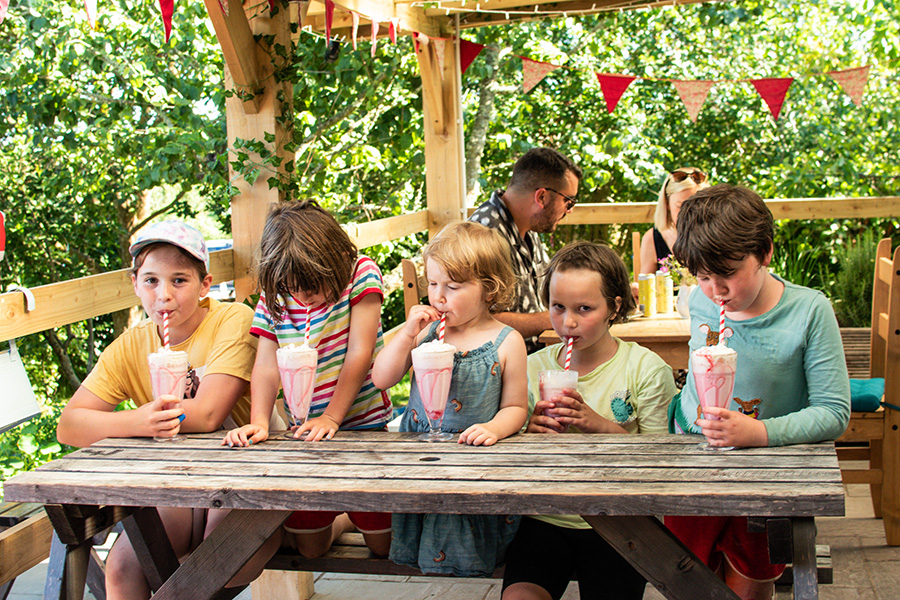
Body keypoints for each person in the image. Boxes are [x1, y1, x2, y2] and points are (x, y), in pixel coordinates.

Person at [56, 220, 271, 599]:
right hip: (175, 480)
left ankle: (329, 523)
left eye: (179, 281)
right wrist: (137, 421)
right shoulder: (130, 346)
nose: (164, 295)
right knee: (122, 568)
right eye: (151, 281)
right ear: (135, 284)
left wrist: (146, 421)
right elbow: (70, 425)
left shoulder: (231, 320)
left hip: (246, 476)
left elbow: (208, 414)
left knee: (219, 558)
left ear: (205, 285)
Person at [665, 184, 851, 600]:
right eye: (702, 276)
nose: (716, 290)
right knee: (686, 577)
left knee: (749, 585)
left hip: (766, 471)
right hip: (692, 461)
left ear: (765, 252)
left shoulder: (809, 311)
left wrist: (759, 433)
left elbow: (834, 411)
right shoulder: (700, 301)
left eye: (728, 274)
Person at [502, 241, 676, 600]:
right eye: (558, 307)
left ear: (614, 307)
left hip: (622, 520)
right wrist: (526, 433)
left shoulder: (645, 369)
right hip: (546, 516)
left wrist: (600, 426)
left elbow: (662, 460)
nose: (568, 322)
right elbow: (506, 456)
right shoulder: (531, 368)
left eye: (584, 309)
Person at [222, 200, 393, 558]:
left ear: (337, 259)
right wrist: (259, 421)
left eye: (313, 288)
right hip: (304, 435)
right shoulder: (276, 295)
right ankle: (343, 519)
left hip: (362, 426)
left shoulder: (360, 273)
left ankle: (355, 516)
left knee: (383, 547)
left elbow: (359, 352)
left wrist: (332, 417)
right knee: (311, 550)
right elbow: (266, 365)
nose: (303, 298)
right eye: (293, 289)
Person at [372, 221, 528, 576]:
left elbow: (516, 407)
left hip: (472, 464)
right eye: (432, 283)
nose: (438, 296)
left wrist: (494, 428)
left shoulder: (507, 342)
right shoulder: (426, 333)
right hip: (421, 462)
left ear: (489, 289)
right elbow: (382, 378)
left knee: (466, 536)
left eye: (453, 286)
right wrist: (406, 335)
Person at [469, 147, 582, 352]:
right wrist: (554, 318)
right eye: (568, 201)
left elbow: (552, 284)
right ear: (542, 197)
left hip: (541, 352)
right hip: (509, 364)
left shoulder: (526, 226)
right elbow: (478, 321)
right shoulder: (485, 233)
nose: (570, 210)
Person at [639, 167, 709, 274]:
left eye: (696, 205)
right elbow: (645, 281)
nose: (688, 213)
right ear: (667, 203)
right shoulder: (652, 239)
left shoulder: (716, 235)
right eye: (680, 206)